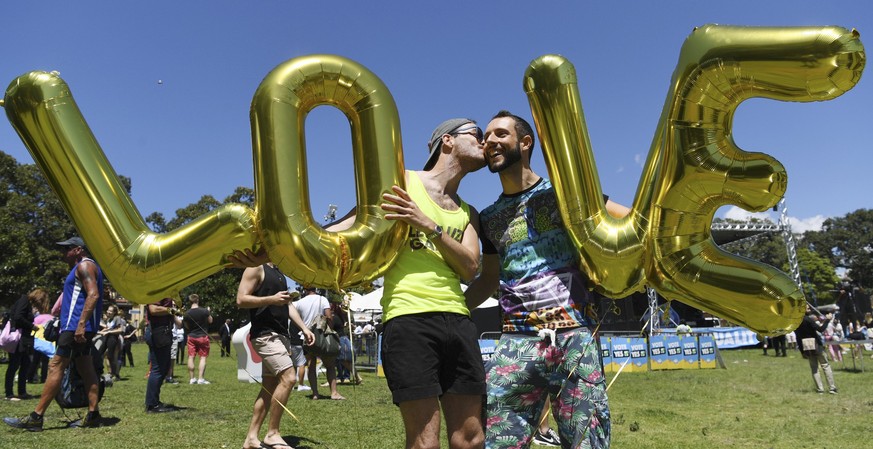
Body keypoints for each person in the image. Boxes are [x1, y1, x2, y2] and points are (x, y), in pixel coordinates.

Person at [465, 111, 629, 449]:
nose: (489, 141)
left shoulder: (566, 194)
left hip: (575, 336)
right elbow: (488, 280)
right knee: (498, 441)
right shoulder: (489, 218)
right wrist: (448, 308)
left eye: (500, 134)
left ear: (525, 143)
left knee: (587, 440)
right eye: (487, 137)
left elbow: (628, 221)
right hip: (516, 342)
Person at [328, 117, 488, 449]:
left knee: (470, 439)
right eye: (478, 134)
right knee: (424, 442)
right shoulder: (402, 181)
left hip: (459, 321)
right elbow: (347, 225)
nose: (485, 142)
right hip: (408, 320)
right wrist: (273, 249)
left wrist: (429, 225)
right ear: (447, 141)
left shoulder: (469, 212)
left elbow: (470, 268)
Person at [4, 236, 104, 430]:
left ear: (78, 250)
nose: (62, 253)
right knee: (85, 367)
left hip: (74, 327)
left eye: (66, 249)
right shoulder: (83, 267)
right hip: (77, 326)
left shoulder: (84, 267)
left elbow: (93, 295)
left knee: (56, 365)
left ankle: (36, 416)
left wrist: (81, 324)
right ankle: (93, 414)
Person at [237, 262, 314, 449]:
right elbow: (241, 299)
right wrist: (271, 299)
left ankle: (251, 439)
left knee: (269, 386)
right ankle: (272, 434)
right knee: (288, 378)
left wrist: (304, 328)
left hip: (281, 335)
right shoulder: (256, 267)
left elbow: (287, 304)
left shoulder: (279, 272)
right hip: (265, 335)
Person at [295, 287, 344, 400]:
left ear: (305, 289)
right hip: (321, 336)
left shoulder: (299, 302)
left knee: (311, 366)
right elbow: (329, 317)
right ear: (315, 288)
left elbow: (297, 319)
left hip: (306, 337)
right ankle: (334, 393)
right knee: (330, 365)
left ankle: (315, 393)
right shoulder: (322, 299)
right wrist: (329, 332)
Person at [4, 289, 49, 401]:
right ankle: (9, 394)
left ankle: (22, 392)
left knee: (25, 364)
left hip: (24, 340)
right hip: (18, 339)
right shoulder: (24, 300)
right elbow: (18, 317)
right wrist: (31, 326)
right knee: (14, 365)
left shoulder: (27, 303)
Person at [144, 297, 184, 412]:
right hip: (158, 332)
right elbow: (153, 309)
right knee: (158, 369)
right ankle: (152, 405)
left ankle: (154, 400)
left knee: (164, 367)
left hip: (164, 332)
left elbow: (174, 317)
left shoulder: (168, 293)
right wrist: (172, 310)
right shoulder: (159, 291)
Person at [794, 305, 837, 394]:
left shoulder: (796, 322)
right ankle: (832, 388)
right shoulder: (808, 320)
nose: (810, 309)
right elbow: (821, 329)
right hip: (816, 345)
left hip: (807, 347)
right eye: (808, 308)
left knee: (814, 368)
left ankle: (820, 389)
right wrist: (827, 320)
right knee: (825, 365)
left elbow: (798, 337)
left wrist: (802, 351)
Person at [183, 293, 213, 384]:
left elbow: (187, 326)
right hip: (202, 336)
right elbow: (210, 321)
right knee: (203, 357)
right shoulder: (204, 311)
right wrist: (209, 312)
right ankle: (201, 378)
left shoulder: (186, 313)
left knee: (191, 357)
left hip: (191, 336)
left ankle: (192, 378)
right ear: (198, 300)